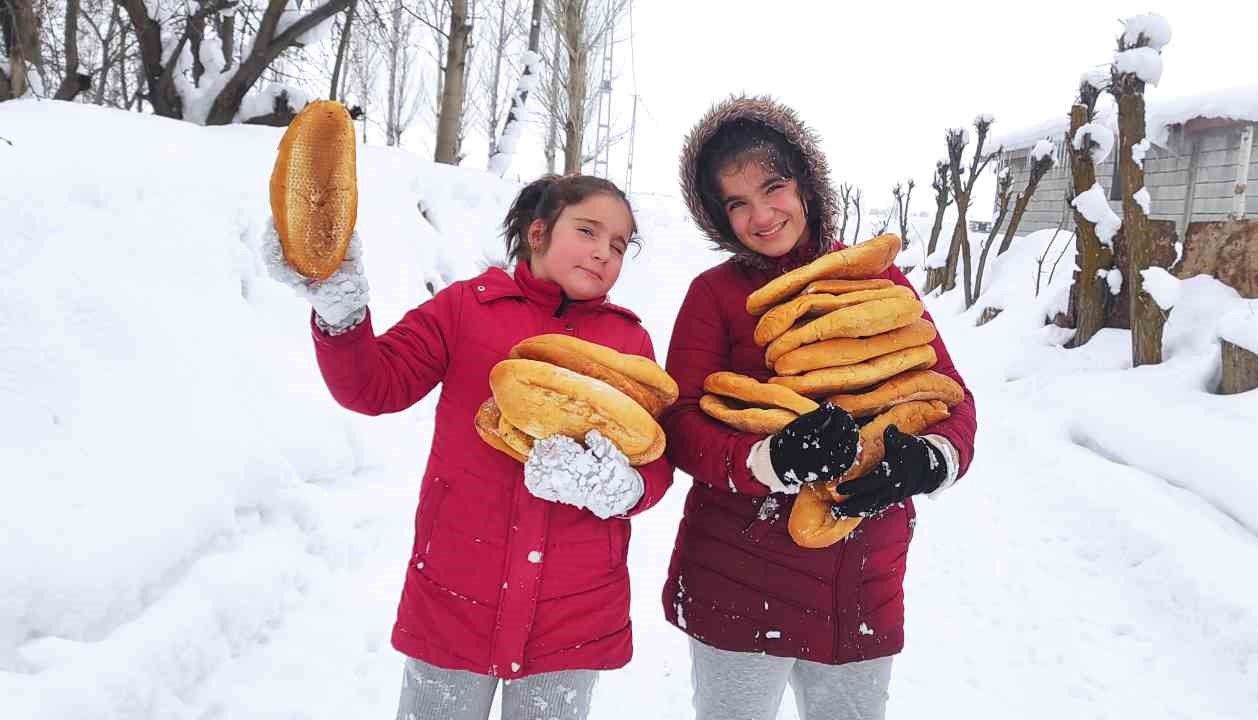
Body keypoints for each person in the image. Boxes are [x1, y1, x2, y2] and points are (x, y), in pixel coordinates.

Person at [262, 173, 674, 719]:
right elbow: (373, 386)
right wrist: (343, 316)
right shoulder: (466, 309)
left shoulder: (629, 342)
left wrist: (626, 490)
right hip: (455, 597)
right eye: (588, 231)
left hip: (572, 614)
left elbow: (655, 458)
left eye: (618, 246)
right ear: (538, 233)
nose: (603, 252)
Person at [660, 96, 977, 720]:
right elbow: (681, 421)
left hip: (859, 578)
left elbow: (951, 397)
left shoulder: (880, 283)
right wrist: (767, 460)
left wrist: (930, 460)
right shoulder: (715, 296)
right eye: (737, 203)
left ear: (804, 183)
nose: (761, 215)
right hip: (738, 576)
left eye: (772, 187)